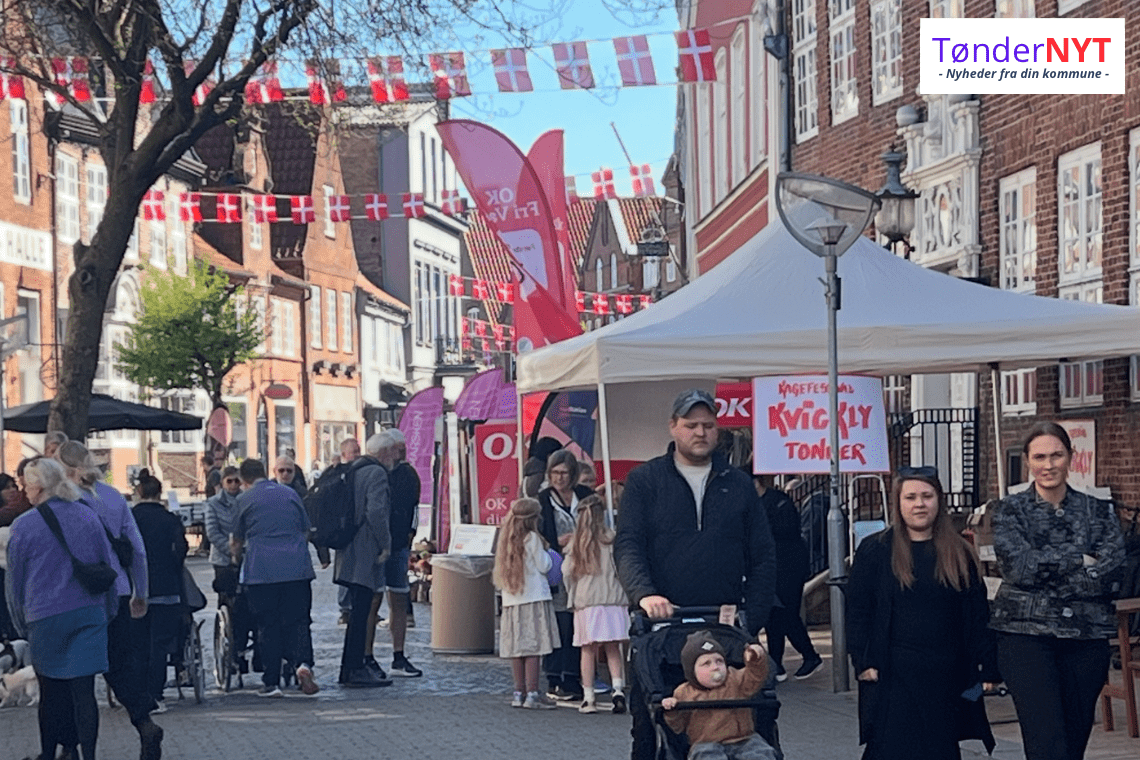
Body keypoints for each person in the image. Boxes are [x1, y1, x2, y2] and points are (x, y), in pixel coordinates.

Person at [615, 389, 776, 760]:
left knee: (752, 710)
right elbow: (628, 545)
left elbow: (763, 555)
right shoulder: (645, 481)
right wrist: (644, 594)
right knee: (649, 722)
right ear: (674, 427)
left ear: (718, 430)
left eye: (708, 425)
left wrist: (755, 613)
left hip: (725, 625)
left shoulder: (737, 485)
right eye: (691, 425)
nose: (700, 432)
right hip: (661, 625)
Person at [990, 422, 1126, 760]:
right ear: (1027, 461)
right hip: (1025, 638)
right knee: (1046, 740)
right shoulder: (1009, 511)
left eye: (1056, 455)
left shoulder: (1099, 512)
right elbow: (1018, 567)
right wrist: (1080, 558)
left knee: (1075, 738)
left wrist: (1047, 571)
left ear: (1071, 458)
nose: (1048, 465)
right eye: (1039, 457)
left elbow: (1111, 574)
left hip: (1085, 637)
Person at [846, 466, 998, 760]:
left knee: (940, 749)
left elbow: (978, 616)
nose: (919, 504)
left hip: (947, 675)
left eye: (927, 496)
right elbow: (859, 611)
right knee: (889, 748)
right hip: (892, 672)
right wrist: (863, 661)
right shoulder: (875, 551)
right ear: (898, 502)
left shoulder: (959, 553)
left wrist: (988, 667)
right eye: (911, 497)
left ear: (938, 500)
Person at [7, 458, 120, 760]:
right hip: (88, 612)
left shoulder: (23, 526)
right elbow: (107, 568)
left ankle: (49, 751)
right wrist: (108, 611)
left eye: (27, 485)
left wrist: (20, 622)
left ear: (40, 487)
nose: (24, 491)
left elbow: (15, 582)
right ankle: (88, 754)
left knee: (51, 693)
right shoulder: (88, 517)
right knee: (84, 693)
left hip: (45, 616)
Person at [57, 441, 163, 760]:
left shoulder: (62, 500)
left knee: (76, 675)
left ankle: (72, 747)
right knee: (119, 666)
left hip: (77, 593)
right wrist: (139, 592)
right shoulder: (114, 496)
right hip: (115, 589)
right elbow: (137, 548)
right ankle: (144, 722)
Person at [230, 458, 319, 697]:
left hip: (262, 571)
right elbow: (305, 529)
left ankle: (272, 681)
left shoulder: (243, 499)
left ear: (244, 479)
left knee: (267, 625)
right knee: (299, 620)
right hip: (297, 568)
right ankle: (303, 664)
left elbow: (236, 539)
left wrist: (236, 559)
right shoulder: (289, 494)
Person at [662, 632, 777, 760]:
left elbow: (755, 677)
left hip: (744, 739)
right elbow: (678, 726)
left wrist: (755, 660)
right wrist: (672, 710)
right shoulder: (684, 692)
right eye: (706, 664)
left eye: (719, 661)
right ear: (692, 670)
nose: (715, 667)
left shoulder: (735, 679)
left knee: (763, 753)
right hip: (705, 743)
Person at [751, 473, 821, 682]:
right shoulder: (757, 504)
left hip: (789, 568)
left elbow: (785, 531)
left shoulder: (779, 502)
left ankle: (809, 656)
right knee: (774, 615)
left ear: (755, 482)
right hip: (771, 568)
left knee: (786, 613)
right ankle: (777, 665)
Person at [563, 494, 629, 715]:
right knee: (613, 649)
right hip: (612, 600)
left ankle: (588, 697)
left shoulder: (577, 545)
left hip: (587, 601)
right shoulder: (612, 540)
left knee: (587, 651)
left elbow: (566, 572)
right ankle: (618, 690)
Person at [333, 435, 390, 688]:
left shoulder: (353, 469)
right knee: (362, 610)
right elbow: (376, 511)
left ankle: (349, 668)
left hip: (348, 546)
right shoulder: (376, 473)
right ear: (383, 453)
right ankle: (354, 668)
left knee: (356, 610)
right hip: (365, 548)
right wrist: (386, 542)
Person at [493, 498, 560, 710]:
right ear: (533, 519)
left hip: (512, 601)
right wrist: (550, 555)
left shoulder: (506, 539)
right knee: (534, 648)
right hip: (534, 598)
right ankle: (533, 693)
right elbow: (544, 565)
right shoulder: (532, 538)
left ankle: (518, 692)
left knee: (517, 650)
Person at [538, 449, 593, 701]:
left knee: (577, 623)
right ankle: (554, 675)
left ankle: (572, 676)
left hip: (582, 567)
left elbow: (598, 525)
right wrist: (554, 542)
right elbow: (536, 536)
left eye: (564, 473)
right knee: (558, 622)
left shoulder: (585, 497)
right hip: (556, 568)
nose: (559, 478)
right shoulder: (542, 499)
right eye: (555, 473)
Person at [130, 473, 188, 713]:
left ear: (139, 492)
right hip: (166, 588)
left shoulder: (131, 518)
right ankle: (156, 694)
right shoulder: (170, 519)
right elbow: (181, 550)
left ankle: (137, 692)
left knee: (138, 643)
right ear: (159, 493)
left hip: (136, 589)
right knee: (159, 644)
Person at [370, 429, 423, 678]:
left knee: (398, 600)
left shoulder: (407, 474)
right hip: (378, 545)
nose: (400, 453)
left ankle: (397, 656)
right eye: (397, 449)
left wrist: (409, 535)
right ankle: (367, 656)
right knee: (374, 600)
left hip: (398, 544)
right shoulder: (373, 472)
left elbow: (413, 508)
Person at [204, 466, 256, 674]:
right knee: (228, 602)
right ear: (223, 483)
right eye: (230, 481)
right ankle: (231, 652)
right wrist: (230, 548)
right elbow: (212, 532)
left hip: (247, 557)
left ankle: (249, 648)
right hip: (223, 560)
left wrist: (243, 549)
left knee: (249, 602)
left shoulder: (248, 500)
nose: (234, 485)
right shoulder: (213, 504)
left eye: (237, 481)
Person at [336, 438, 362, 626]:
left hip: (361, 529)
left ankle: (360, 607)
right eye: (354, 451)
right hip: (344, 530)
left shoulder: (363, 471)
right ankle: (345, 609)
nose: (358, 454)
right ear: (344, 455)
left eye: (359, 450)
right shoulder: (339, 475)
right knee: (345, 568)